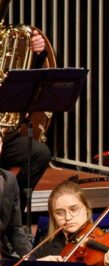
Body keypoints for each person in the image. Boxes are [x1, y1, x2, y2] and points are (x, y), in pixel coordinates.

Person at [0, 28, 51, 199]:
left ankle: (14, 213)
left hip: (4, 134)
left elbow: (25, 79)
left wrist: (36, 53)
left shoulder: (6, 36)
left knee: (38, 153)